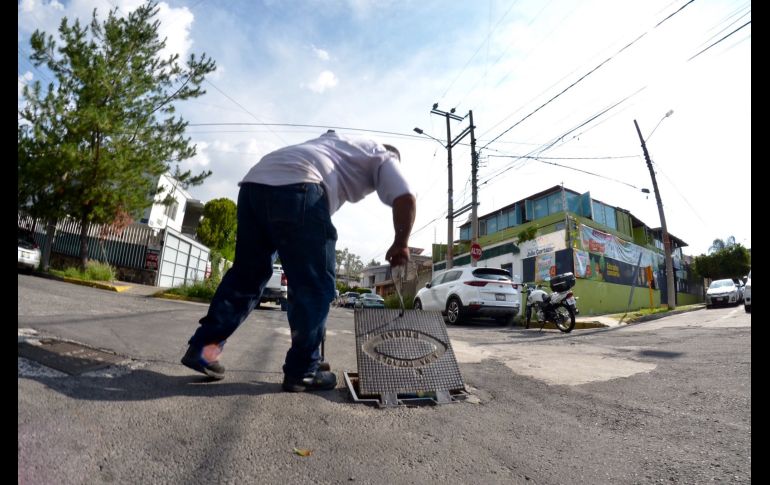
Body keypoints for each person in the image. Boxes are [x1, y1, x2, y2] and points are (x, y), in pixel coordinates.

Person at [181, 130, 416, 392]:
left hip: (254, 185)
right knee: (313, 286)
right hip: (300, 186)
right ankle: (304, 370)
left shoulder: (339, 144)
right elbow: (405, 196)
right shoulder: (383, 155)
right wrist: (401, 242)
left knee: (247, 276)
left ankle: (204, 350)